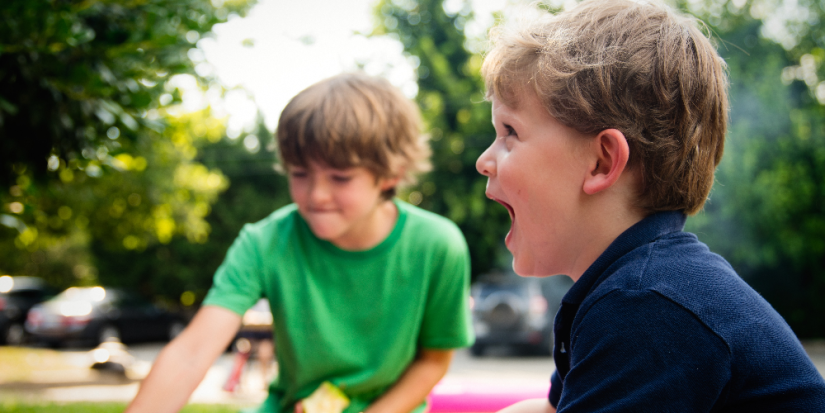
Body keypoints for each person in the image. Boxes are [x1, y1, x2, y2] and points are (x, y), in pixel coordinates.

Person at [474, 0, 825, 412]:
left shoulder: (645, 307)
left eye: (510, 131)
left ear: (602, 161)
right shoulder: (633, 286)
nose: (484, 160)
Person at [125, 72, 474, 413]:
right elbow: (192, 353)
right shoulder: (264, 242)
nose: (316, 195)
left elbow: (433, 359)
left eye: (340, 177)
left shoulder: (438, 245)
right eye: (300, 173)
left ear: (390, 174)